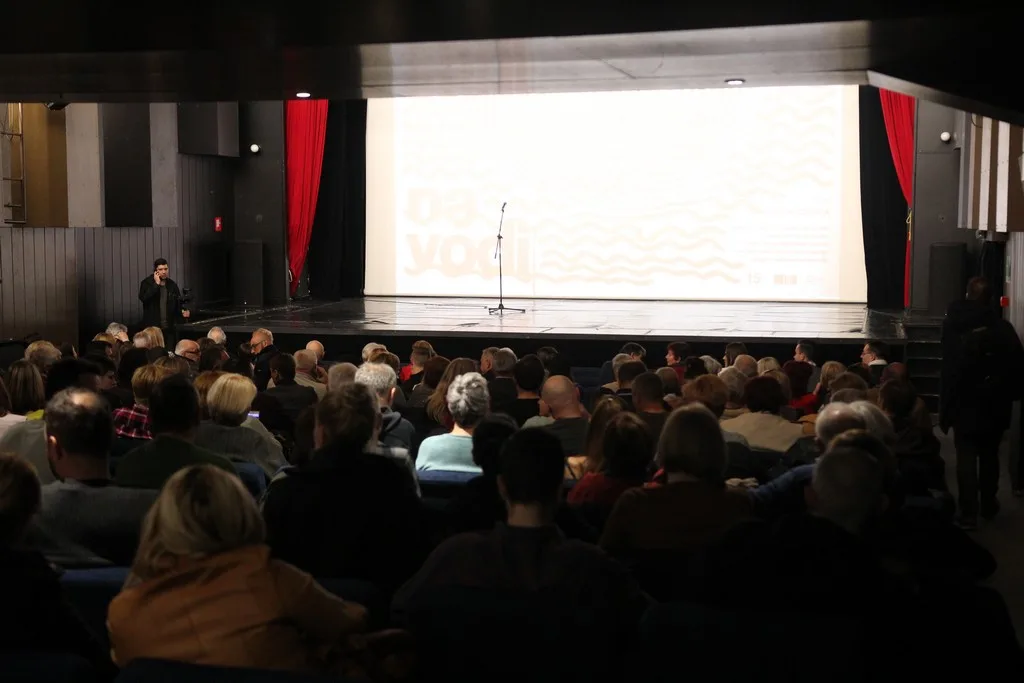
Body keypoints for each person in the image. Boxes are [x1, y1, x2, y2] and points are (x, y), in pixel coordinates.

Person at [940, 276, 1024, 526]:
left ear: (967, 295)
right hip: (994, 403)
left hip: (962, 401)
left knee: (965, 456)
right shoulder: (1003, 329)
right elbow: (1016, 366)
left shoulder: (952, 327)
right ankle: (988, 504)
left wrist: (946, 406)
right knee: (990, 455)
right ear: (990, 299)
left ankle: (968, 512)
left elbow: (949, 368)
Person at [138, 258, 189, 350]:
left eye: (166, 269)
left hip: (169, 328)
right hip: (153, 329)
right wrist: (156, 284)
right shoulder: (147, 283)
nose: (164, 272)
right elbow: (144, 298)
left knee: (170, 352)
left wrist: (183, 311)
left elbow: (178, 303)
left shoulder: (172, 285)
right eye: (161, 269)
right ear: (156, 271)